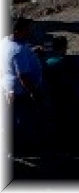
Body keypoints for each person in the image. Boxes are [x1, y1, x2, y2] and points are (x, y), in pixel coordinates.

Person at [4, 16, 45, 150]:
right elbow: (23, 76)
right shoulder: (18, 51)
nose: (30, 32)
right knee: (21, 121)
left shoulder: (5, 42)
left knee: (14, 119)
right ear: (16, 31)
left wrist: (31, 52)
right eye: (26, 30)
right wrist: (34, 92)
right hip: (20, 91)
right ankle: (21, 147)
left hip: (9, 88)